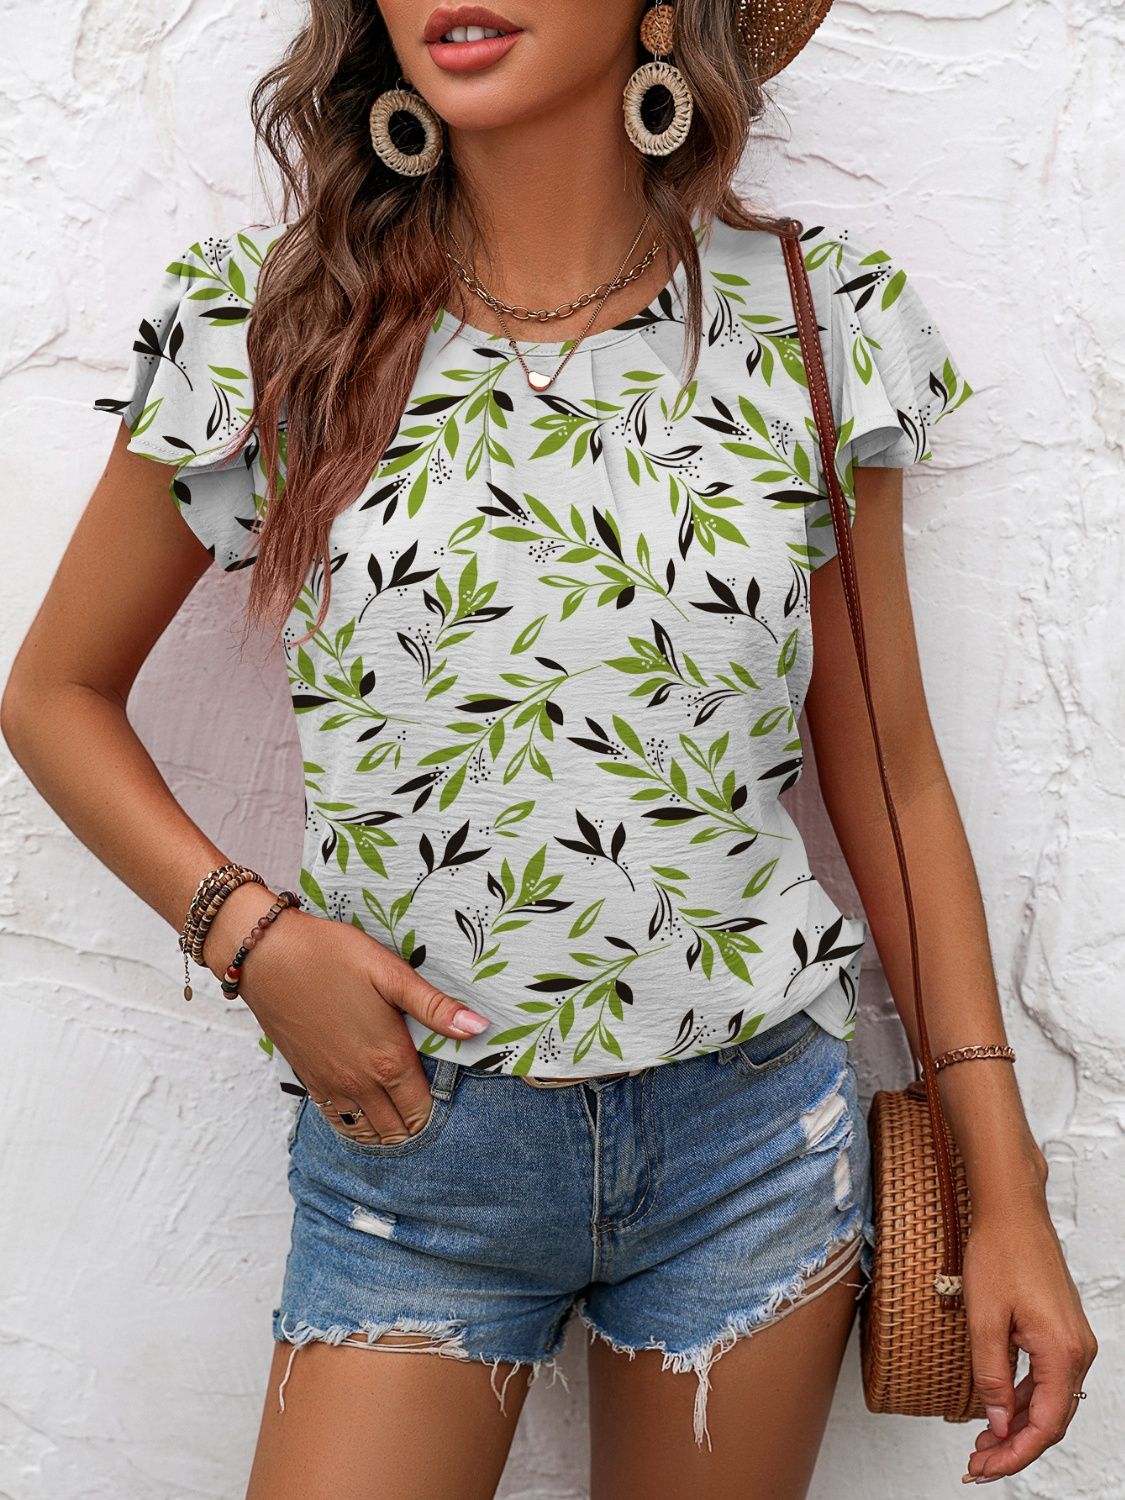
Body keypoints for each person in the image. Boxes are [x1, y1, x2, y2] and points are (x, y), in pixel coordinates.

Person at [2, 1, 1097, 1495]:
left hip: (749, 1150)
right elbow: (52, 691)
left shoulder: (816, 317)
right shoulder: (270, 324)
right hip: (413, 1154)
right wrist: (251, 937)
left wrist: (1005, 1183)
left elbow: (889, 773)